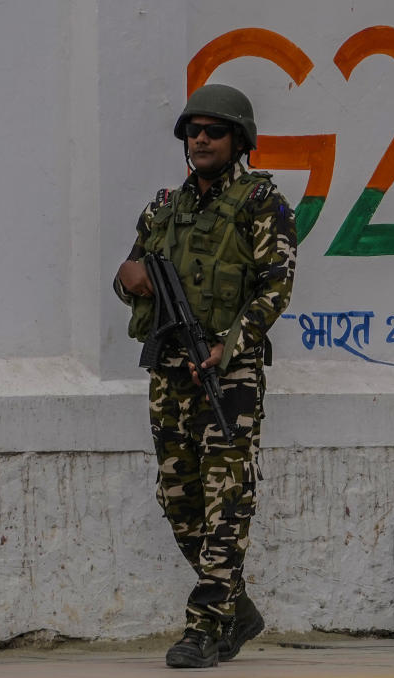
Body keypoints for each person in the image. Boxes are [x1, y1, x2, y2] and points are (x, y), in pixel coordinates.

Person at [114, 83, 297, 669]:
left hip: (229, 378)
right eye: (193, 130)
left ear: (238, 140)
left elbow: (277, 285)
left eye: (213, 131)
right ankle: (237, 609)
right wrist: (129, 281)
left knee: (227, 502)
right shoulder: (162, 208)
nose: (200, 139)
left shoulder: (261, 203)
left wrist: (229, 345)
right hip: (169, 374)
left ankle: (203, 625)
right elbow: (128, 277)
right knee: (180, 502)